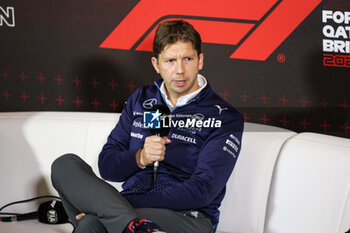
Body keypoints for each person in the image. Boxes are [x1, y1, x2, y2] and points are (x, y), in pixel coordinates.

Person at [51, 20, 244, 233]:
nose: (179, 70)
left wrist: (114, 207)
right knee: (64, 165)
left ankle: (126, 222)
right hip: (129, 210)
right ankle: (134, 226)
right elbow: (107, 166)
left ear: (200, 60)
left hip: (187, 217)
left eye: (187, 59)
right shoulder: (141, 99)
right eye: (170, 61)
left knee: (92, 223)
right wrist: (140, 157)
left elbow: (203, 191)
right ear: (156, 64)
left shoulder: (224, 116)